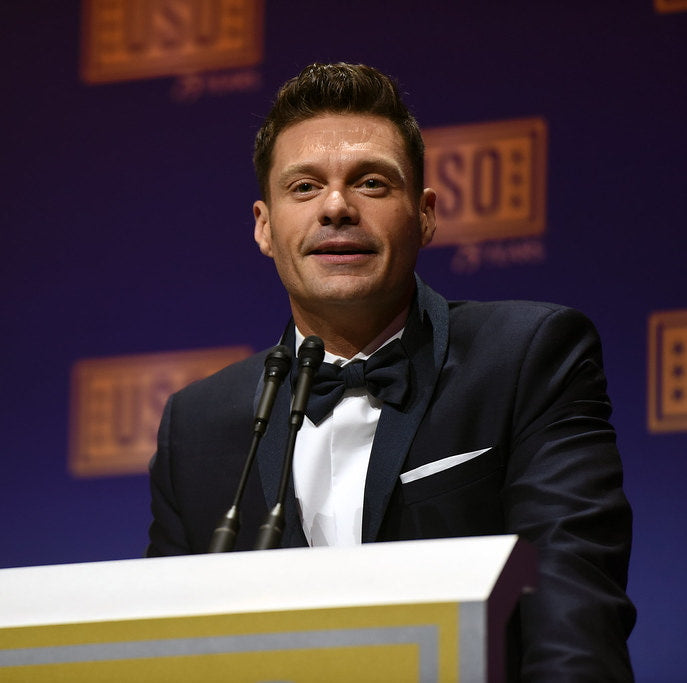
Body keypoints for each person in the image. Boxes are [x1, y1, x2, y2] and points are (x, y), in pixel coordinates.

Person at [146, 63, 635, 680]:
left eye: (372, 183)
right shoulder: (197, 425)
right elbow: (166, 649)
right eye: (302, 188)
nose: (336, 207)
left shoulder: (527, 357)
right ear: (264, 227)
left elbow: (574, 616)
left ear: (426, 214)